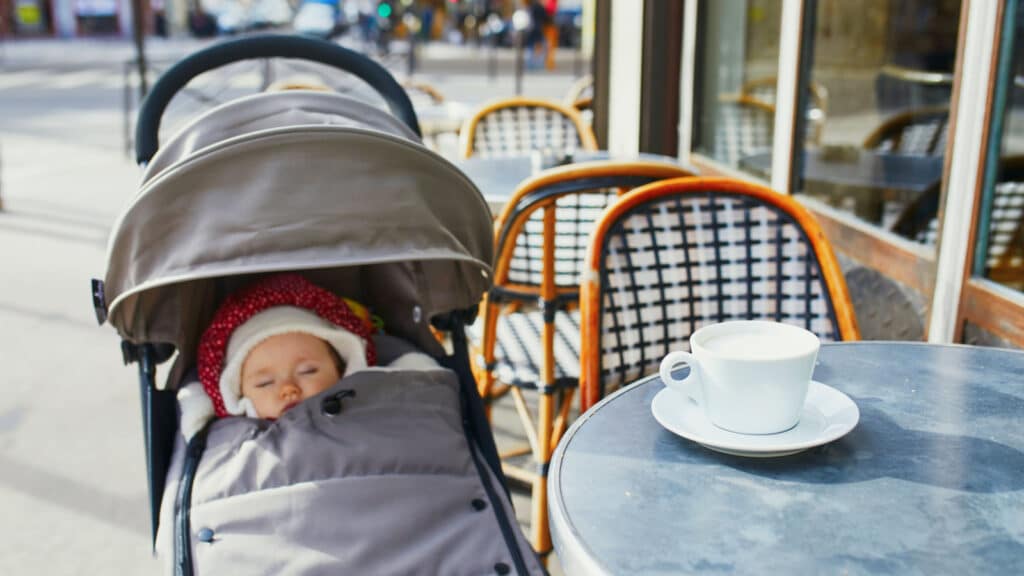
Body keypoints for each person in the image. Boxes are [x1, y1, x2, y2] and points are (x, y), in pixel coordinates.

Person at [177, 273, 434, 437]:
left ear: (342, 369)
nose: (288, 389)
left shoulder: (375, 405)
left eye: (308, 371)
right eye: (264, 383)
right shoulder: (234, 442)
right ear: (238, 395)